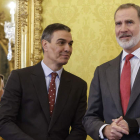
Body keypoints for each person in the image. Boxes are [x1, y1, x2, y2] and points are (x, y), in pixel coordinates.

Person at [0, 23, 87, 140]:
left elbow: (80, 128)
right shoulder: (20, 78)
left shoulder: (78, 85)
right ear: (45, 45)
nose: (68, 48)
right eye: (61, 43)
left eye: (70, 44)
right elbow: (4, 121)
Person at [83, 3, 140, 140]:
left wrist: (134, 125)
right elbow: (90, 117)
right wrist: (105, 129)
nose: (123, 29)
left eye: (129, 22)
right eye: (118, 24)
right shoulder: (102, 72)